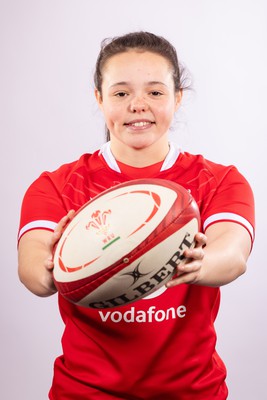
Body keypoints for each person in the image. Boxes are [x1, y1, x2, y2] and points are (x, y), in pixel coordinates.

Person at [18, 31, 255, 400]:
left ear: (177, 98)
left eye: (156, 92)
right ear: (100, 98)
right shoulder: (57, 185)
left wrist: (189, 261)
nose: (138, 105)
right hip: (84, 392)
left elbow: (233, 255)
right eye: (121, 92)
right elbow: (33, 272)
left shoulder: (220, 180)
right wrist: (56, 263)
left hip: (193, 393)